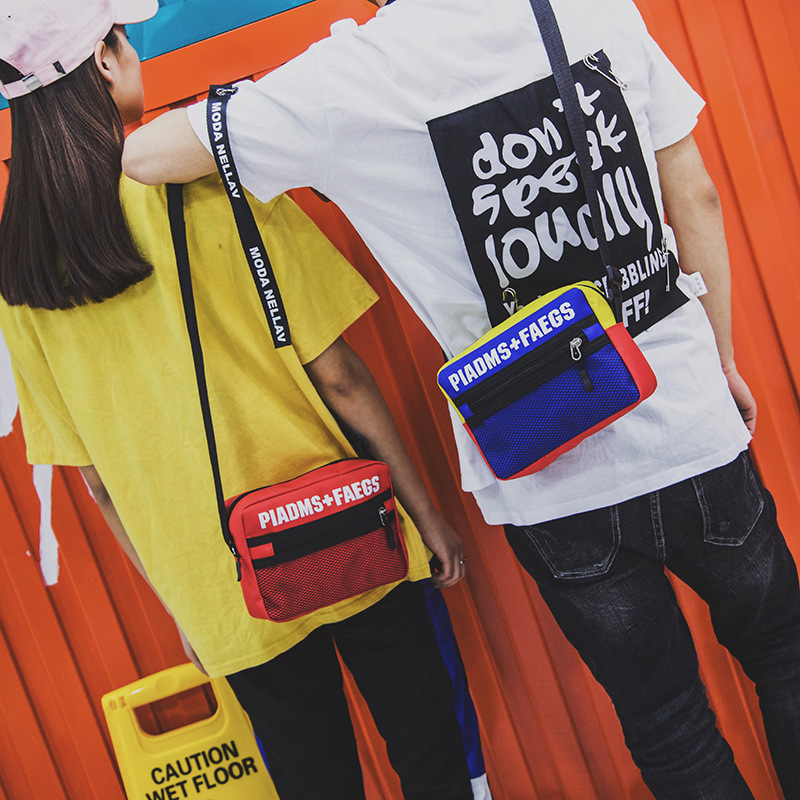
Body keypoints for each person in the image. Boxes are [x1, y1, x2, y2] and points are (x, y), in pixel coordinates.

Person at [122, 0, 800, 797]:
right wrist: (720, 359)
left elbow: (145, 156)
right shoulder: (591, 9)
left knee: (668, 723)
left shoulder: (346, 78)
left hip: (549, 466)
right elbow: (697, 195)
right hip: (688, 415)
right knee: (784, 653)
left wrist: (266, 97)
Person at [0, 2, 494, 799]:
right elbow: (338, 375)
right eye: (124, 40)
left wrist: (185, 607)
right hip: (343, 529)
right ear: (102, 61)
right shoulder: (208, 184)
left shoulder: (19, 273)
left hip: (223, 585)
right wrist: (423, 510)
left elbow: (97, 482)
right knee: (433, 758)